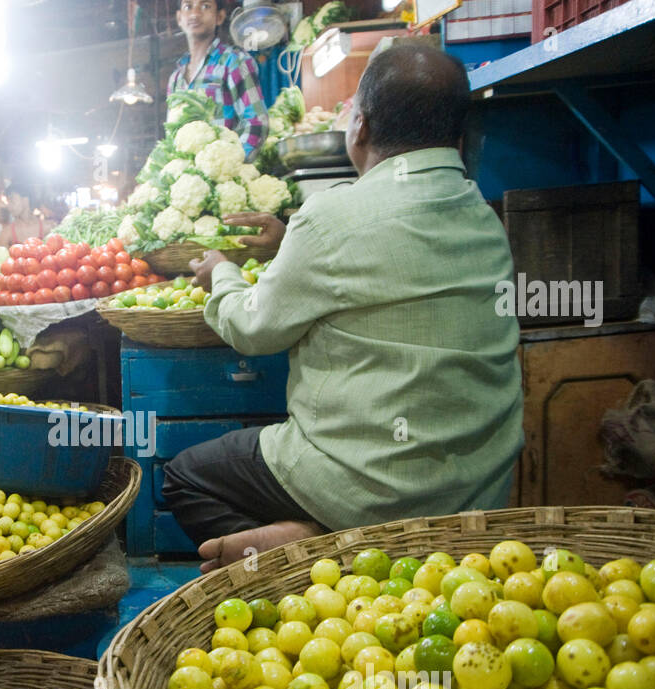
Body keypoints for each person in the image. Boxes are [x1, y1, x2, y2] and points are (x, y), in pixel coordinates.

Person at [170, 45, 524, 573]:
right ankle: (339, 541)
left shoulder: (332, 215)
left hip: (371, 489)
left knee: (185, 474)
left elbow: (250, 328)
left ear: (358, 128)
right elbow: (389, 263)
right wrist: (294, 244)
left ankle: (316, 544)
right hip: (477, 490)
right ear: (459, 137)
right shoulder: (484, 217)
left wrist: (220, 271)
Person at [168, 0, 268, 158]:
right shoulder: (175, 79)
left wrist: (235, 164)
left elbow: (257, 122)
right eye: (188, 7)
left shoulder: (235, 61)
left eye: (205, 6)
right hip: (189, 175)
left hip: (228, 176)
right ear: (179, 18)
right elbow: (171, 136)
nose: (195, 14)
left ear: (219, 17)